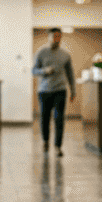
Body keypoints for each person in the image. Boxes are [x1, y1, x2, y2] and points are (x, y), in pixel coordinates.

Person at [32, 27, 75, 156]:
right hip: (44, 91)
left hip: (60, 90)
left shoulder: (65, 55)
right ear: (49, 37)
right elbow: (33, 71)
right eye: (54, 36)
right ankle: (45, 141)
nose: (56, 39)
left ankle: (57, 146)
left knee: (59, 118)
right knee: (44, 118)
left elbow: (70, 73)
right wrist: (44, 71)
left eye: (58, 37)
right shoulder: (41, 53)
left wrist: (73, 90)